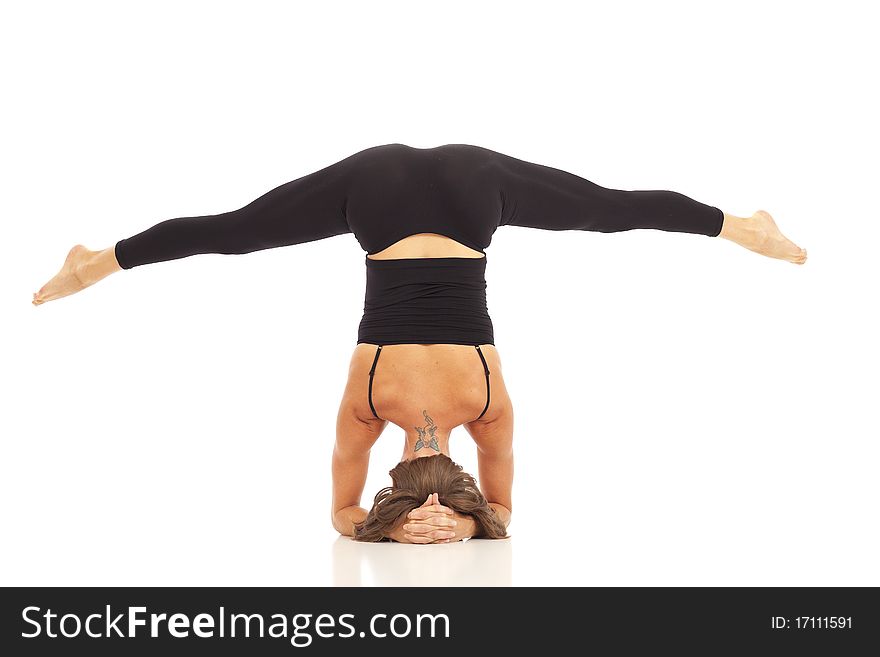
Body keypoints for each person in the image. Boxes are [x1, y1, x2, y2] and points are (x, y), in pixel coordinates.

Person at [31, 143, 807, 543]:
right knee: (234, 234)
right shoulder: (366, 413)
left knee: (608, 209)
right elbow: (343, 508)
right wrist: (409, 521)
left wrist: (464, 520)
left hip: (465, 195)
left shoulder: (486, 411)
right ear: (395, 470)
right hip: (385, 196)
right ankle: (94, 262)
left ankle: (744, 226)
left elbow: (500, 504)